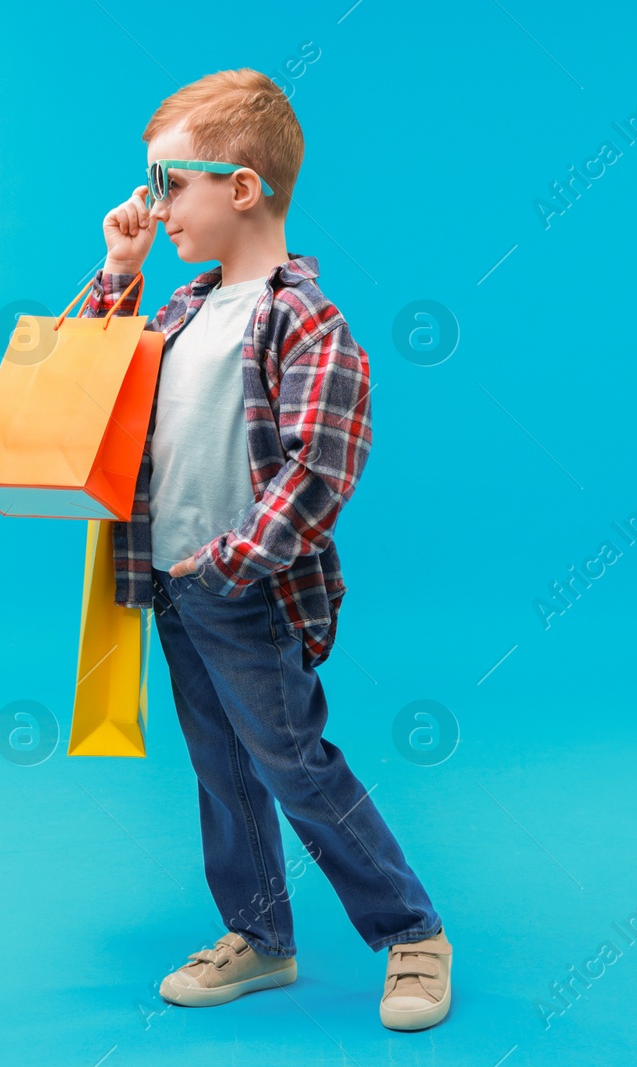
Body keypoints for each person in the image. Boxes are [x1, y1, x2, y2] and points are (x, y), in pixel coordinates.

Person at [78, 68, 450, 1032]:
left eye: (167, 186)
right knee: (220, 765)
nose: (151, 208)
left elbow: (319, 471)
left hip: (245, 590)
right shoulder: (180, 311)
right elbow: (88, 384)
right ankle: (261, 936)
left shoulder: (304, 321)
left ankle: (411, 931)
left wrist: (233, 559)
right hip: (170, 583)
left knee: (293, 762)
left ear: (241, 187)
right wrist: (119, 275)